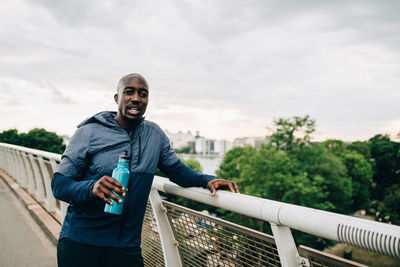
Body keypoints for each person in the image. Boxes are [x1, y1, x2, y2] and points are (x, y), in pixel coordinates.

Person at [51, 73, 239, 267]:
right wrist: (91, 188)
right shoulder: (88, 132)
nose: (136, 98)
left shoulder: (154, 135)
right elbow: (59, 185)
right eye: (128, 92)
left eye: (143, 94)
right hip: (81, 243)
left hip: (126, 247)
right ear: (117, 98)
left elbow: (176, 170)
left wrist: (206, 180)